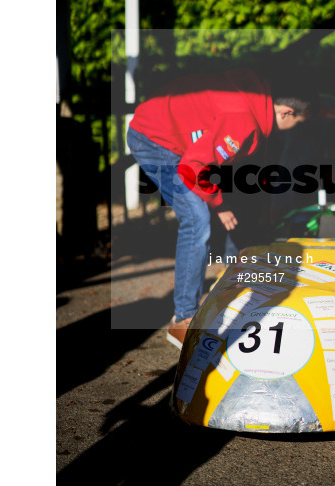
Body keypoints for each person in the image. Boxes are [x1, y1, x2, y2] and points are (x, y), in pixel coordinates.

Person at [126, 69, 317, 348]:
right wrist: (219, 204)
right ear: (287, 112)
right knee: (196, 219)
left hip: (176, 134)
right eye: (300, 123)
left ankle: (229, 280)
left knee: (236, 188)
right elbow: (191, 168)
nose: (296, 131)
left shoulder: (257, 98)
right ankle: (183, 319)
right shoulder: (242, 120)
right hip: (154, 139)